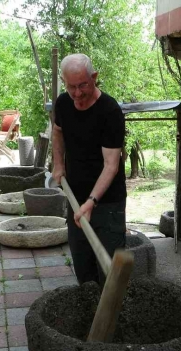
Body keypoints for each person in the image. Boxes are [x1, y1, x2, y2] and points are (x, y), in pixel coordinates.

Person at [52, 53, 127, 286]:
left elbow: (111, 166)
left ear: (94, 77)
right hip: (76, 198)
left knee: (110, 276)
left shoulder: (109, 111)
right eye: (71, 86)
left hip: (107, 204)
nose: (77, 93)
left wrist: (91, 203)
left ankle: (113, 320)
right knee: (84, 272)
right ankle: (89, 318)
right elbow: (57, 131)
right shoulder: (63, 103)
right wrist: (58, 163)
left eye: (83, 85)